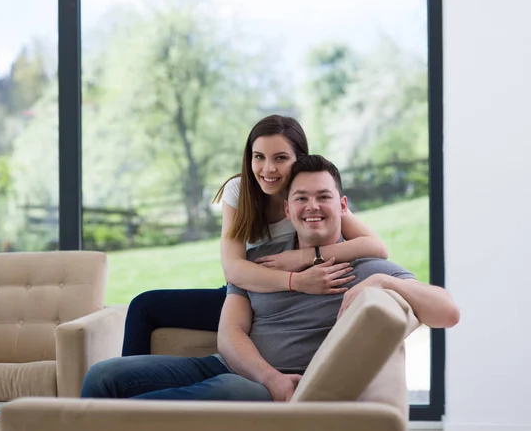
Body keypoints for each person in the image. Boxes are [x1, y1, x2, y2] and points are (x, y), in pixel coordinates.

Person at [81, 155, 460, 401]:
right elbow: (231, 332)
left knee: (142, 409)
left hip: (252, 388)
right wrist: (266, 374)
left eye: (324, 197)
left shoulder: (365, 267)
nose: (312, 207)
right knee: (103, 376)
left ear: (342, 206)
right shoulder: (262, 261)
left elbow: (448, 313)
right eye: (301, 198)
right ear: (287, 207)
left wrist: (388, 284)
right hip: (228, 367)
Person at [122, 115, 388, 356]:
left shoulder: (310, 196)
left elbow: (376, 247)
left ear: (300, 159)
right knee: (144, 306)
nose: (267, 169)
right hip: (251, 294)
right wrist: (295, 279)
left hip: (292, 300)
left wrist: (305, 256)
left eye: (280, 158)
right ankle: (124, 402)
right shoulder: (239, 192)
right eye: (258, 157)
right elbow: (233, 270)